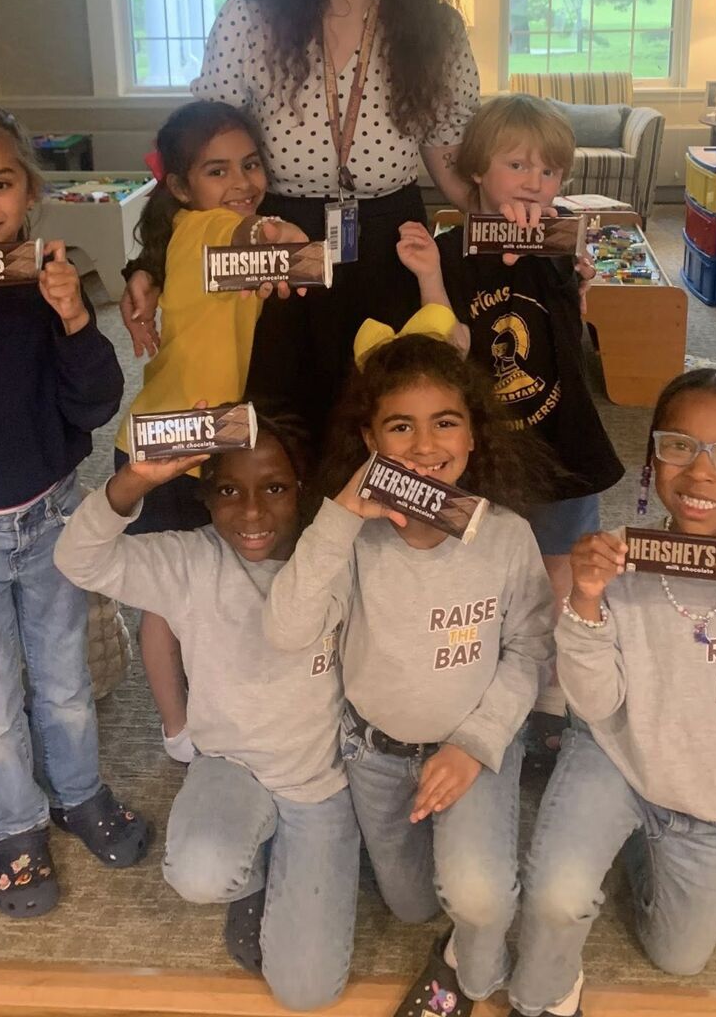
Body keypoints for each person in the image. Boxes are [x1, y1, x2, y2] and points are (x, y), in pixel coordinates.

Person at [121, 0, 479, 441]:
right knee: (275, 426)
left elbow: (452, 163)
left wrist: (534, 232)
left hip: (390, 246)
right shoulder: (250, 16)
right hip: (273, 241)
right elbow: (198, 155)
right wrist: (150, 261)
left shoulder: (438, 31)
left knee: (384, 424)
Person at [263, 312, 556, 1017]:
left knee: (478, 896)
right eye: (401, 427)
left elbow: (530, 650)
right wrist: (340, 513)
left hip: (472, 745)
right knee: (413, 905)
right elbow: (287, 631)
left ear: (474, 433)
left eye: (445, 423)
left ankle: (474, 972)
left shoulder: (507, 537)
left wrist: (475, 745)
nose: (425, 445)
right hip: (375, 754)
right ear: (370, 440)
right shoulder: (349, 537)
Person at [55, 416, 360, 1013]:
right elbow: (78, 560)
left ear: (302, 489)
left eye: (275, 488)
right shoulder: (190, 559)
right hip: (230, 764)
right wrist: (136, 481)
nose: (252, 511)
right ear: (206, 496)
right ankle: (253, 875)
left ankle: (289, 857)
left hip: (319, 785)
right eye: (229, 490)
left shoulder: (334, 554)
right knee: (200, 871)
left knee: (306, 991)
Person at [0, 99, 148, 918]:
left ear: (29, 190)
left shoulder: (55, 279)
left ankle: (78, 793)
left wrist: (74, 320)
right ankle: (17, 824)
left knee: (63, 681)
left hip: (51, 517)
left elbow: (94, 404)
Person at [507, 367, 716, 1017]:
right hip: (616, 757)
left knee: (679, 957)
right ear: (652, 461)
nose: (700, 473)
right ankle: (540, 998)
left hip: (712, 801)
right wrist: (586, 601)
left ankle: (636, 843)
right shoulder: (620, 560)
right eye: (679, 445)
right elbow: (596, 703)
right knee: (558, 897)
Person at [397, 93, 623, 755]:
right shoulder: (450, 250)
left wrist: (573, 271)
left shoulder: (559, 243)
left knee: (558, 571)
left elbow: (573, 335)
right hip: (490, 447)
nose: (533, 181)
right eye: (517, 164)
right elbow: (449, 347)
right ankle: (484, 679)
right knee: (483, 567)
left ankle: (549, 697)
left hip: (562, 444)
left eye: (548, 171)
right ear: (475, 170)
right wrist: (430, 277)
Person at [113, 99, 308, 763]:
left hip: (208, 439)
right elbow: (248, 231)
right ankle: (176, 729)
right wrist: (278, 233)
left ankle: (208, 709)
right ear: (180, 186)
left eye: (250, 165)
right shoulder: (207, 228)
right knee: (165, 601)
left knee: (204, 587)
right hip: (163, 447)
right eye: (217, 171)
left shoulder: (187, 232)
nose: (242, 182)